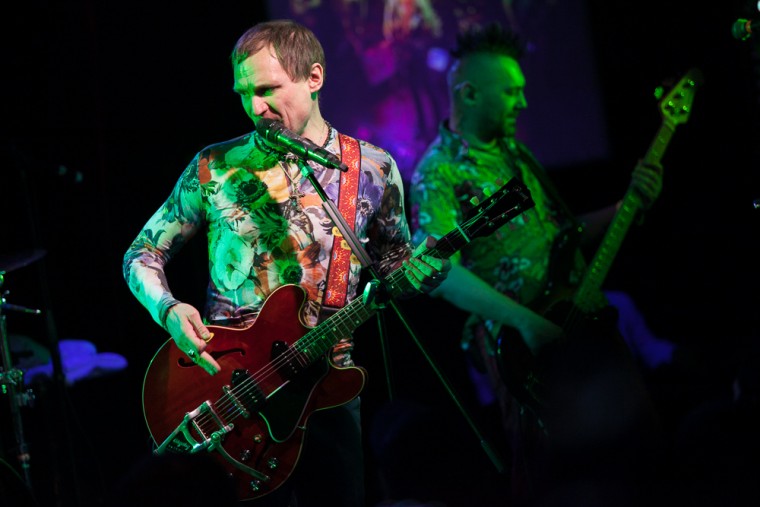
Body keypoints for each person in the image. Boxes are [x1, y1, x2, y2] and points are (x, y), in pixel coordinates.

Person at [122, 19, 450, 507]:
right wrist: (168, 309)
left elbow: (394, 268)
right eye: (244, 93)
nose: (255, 107)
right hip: (233, 395)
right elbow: (141, 253)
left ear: (314, 78)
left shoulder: (373, 167)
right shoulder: (215, 165)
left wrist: (428, 272)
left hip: (329, 391)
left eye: (267, 90)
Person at [409, 23, 666, 506]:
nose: (523, 102)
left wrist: (626, 205)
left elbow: (560, 236)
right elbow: (441, 274)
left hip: (578, 323)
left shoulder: (517, 153)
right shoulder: (437, 171)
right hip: (523, 354)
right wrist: (526, 322)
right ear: (470, 93)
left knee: (633, 454)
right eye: (511, 91)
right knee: (557, 476)